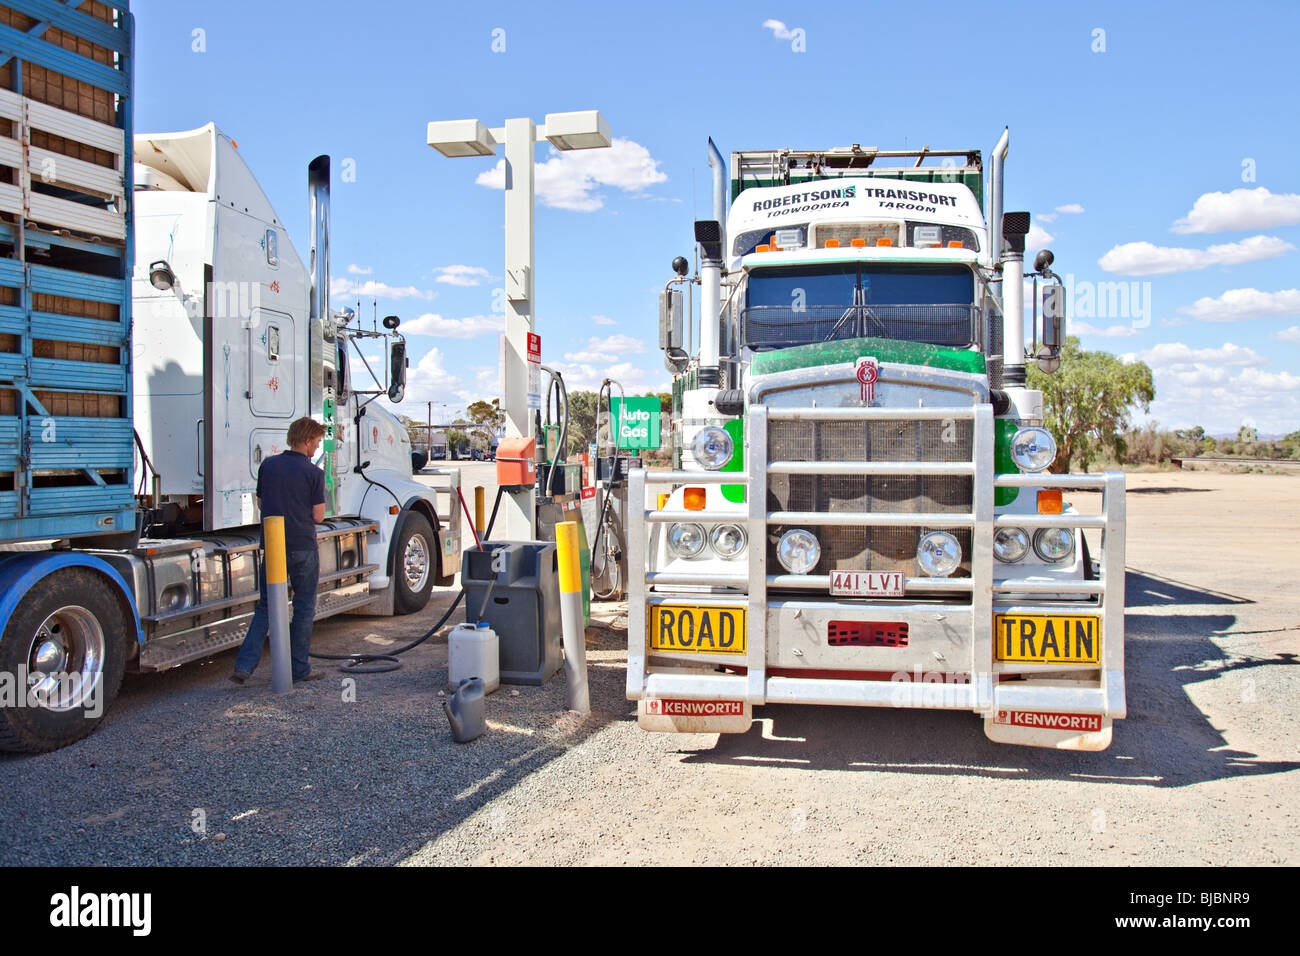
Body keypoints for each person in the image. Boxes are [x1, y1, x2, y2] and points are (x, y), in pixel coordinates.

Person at [231, 417, 327, 684]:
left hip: (274, 547)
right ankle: (299, 669)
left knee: (266, 606)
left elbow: (261, 502)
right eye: (317, 442)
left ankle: (244, 666)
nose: (317, 448)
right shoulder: (314, 473)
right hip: (303, 547)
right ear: (307, 441)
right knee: (304, 607)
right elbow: (319, 516)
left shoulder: (269, 465)